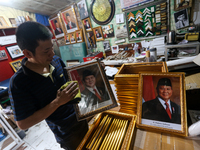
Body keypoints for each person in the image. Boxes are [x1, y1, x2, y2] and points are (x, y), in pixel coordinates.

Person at [8, 21, 88, 150]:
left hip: (82, 117)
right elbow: (23, 123)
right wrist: (57, 102)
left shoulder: (55, 61)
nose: (52, 53)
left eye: (52, 47)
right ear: (28, 53)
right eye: (46, 51)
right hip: (66, 133)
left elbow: (71, 82)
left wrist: (93, 72)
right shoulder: (18, 83)